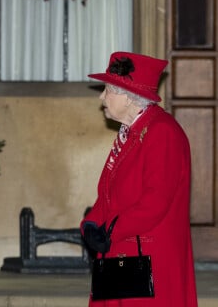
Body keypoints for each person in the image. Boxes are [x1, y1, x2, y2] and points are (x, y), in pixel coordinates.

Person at [80, 52, 198, 306]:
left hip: (148, 258)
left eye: (109, 90)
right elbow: (109, 193)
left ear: (130, 95)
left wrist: (111, 230)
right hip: (123, 253)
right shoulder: (132, 131)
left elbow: (155, 201)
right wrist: (91, 224)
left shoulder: (162, 132)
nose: (102, 97)